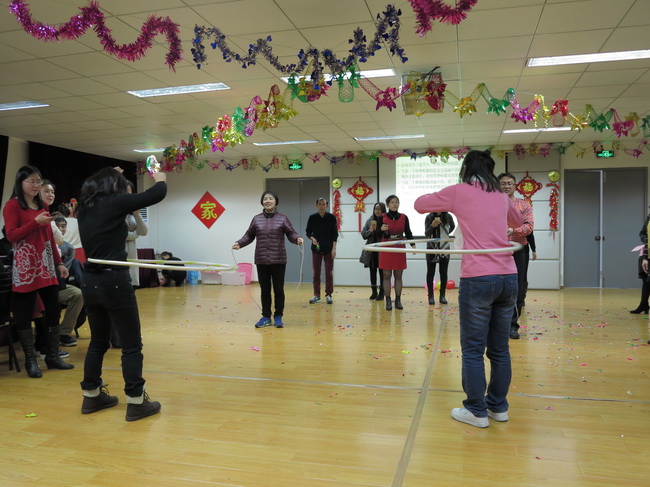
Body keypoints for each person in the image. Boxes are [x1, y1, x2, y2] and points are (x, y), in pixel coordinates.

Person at [415, 149, 524, 428]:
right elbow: (517, 222)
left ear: (465, 169)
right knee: (499, 349)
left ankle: (476, 410)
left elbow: (419, 204)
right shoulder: (501, 196)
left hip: (478, 278)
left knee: (474, 349)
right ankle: (498, 407)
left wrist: (448, 200)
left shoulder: (459, 191)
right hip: (508, 276)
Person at [77, 167, 167, 421]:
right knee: (131, 344)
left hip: (90, 281)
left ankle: (92, 396)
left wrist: (108, 174)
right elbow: (156, 194)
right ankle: (136, 401)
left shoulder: (84, 207)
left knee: (98, 341)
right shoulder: (114, 203)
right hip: (113, 280)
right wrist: (160, 179)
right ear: (112, 186)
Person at [2, 165, 74, 378]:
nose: (35, 185)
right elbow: (12, 236)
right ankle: (31, 362)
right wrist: (35, 222)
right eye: (31, 181)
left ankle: (52, 356)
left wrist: (59, 263)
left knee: (53, 309)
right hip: (25, 266)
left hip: (46, 264)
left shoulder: (42, 205)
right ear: (21, 182)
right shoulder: (12, 205)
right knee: (25, 313)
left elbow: (49, 236)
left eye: (38, 182)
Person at [232, 191, 303, 329]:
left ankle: (278, 316)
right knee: (265, 290)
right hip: (261, 259)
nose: (268, 201)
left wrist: (297, 239)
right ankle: (265, 317)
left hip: (279, 260)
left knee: (279, 290)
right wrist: (239, 243)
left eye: (271, 198)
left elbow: (291, 233)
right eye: (265, 199)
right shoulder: (256, 219)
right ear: (262, 202)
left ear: (276, 202)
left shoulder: (282, 218)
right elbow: (249, 235)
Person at [498, 173, 533, 339]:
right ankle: (498, 325)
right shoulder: (492, 204)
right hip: (497, 250)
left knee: (517, 287)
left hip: (518, 250)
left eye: (509, 183)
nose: (506, 186)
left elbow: (529, 226)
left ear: (515, 186)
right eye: (503, 183)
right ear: (498, 186)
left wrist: (514, 231)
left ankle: (513, 326)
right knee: (498, 287)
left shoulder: (524, 205)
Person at [379, 195, 415, 311]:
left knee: (398, 275)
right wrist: (381, 230)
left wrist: (413, 245)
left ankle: (398, 300)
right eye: (392, 202)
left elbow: (408, 232)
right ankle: (388, 300)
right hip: (386, 246)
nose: (395, 204)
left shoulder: (404, 217)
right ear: (388, 204)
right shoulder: (382, 217)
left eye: (397, 202)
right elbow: (376, 234)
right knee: (386, 275)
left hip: (399, 246)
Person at [306, 198, 339, 304]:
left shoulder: (332, 217)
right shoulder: (312, 217)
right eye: (319, 204)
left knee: (329, 273)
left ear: (326, 205)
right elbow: (308, 232)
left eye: (323, 204)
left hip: (329, 249)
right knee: (316, 273)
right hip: (316, 249)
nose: (321, 206)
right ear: (316, 205)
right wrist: (312, 238)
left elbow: (335, 234)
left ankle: (329, 294)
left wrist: (334, 248)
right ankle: (316, 295)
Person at [424, 212, 456, 305]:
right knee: (430, 272)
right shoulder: (429, 217)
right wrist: (432, 226)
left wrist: (445, 234)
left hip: (444, 247)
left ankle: (442, 295)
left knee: (443, 272)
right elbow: (426, 233)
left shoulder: (448, 216)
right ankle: (430, 296)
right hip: (431, 247)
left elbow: (453, 226)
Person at [360, 202, 386, 300]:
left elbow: (388, 234)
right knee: (372, 271)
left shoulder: (386, 220)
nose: (377, 211)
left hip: (382, 249)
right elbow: (363, 235)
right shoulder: (370, 220)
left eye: (379, 209)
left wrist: (382, 230)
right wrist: (370, 230)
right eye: (376, 209)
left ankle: (382, 292)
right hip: (371, 251)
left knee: (382, 272)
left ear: (383, 210)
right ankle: (374, 292)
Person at [125, 181, 148, 289]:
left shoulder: (134, 212)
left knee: (132, 287)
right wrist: (135, 234)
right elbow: (119, 234)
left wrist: (137, 215)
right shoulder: (113, 211)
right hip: (118, 254)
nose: (126, 194)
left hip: (132, 254)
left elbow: (143, 232)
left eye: (128, 191)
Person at [631, 213, 650, 314]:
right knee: (646, 279)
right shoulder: (649, 217)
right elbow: (643, 233)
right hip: (647, 252)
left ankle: (644, 305)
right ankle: (644, 304)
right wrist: (646, 239)